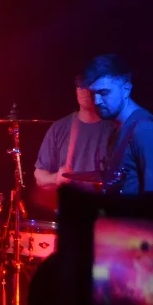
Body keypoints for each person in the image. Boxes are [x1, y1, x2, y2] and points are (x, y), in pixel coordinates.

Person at [81, 54, 153, 197]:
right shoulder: (119, 130)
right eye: (92, 94)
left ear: (126, 90)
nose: (96, 101)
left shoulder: (146, 131)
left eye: (104, 92)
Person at [33, 73, 117, 210]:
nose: (84, 90)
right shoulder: (59, 128)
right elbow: (40, 177)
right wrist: (56, 178)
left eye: (88, 85)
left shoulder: (114, 130)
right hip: (69, 212)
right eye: (79, 86)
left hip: (103, 212)